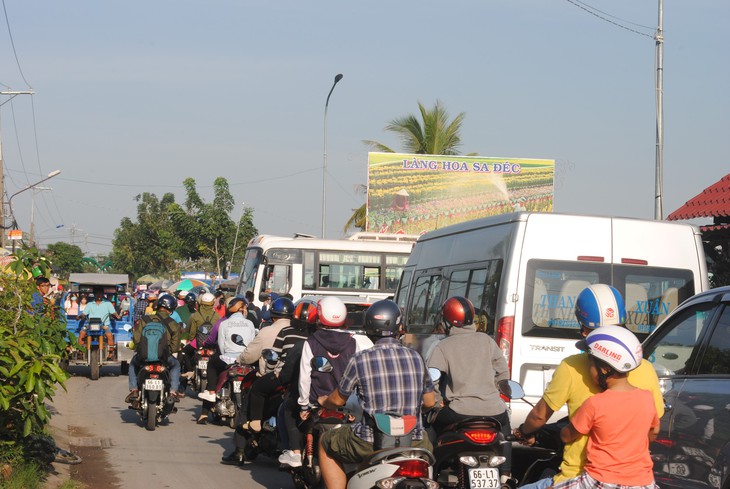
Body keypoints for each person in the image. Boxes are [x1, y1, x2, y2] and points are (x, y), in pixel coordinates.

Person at [514, 284, 664, 489]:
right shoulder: (644, 367)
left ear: (584, 328)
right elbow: (653, 430)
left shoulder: (573, 367)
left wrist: (524, 432)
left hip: (582, 476)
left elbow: (540, 416)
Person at [317, 299, 437, 489]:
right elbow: (430, 402)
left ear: (369, 326)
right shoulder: (415, 357)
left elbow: (339, 398)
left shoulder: (360, 359)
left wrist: (325, 401)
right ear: (399, 326)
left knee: (326, 442)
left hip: (370, 440)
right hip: (414, 440)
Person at [552, 325, 659, 489]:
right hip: (644, 483)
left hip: (601, 481)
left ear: (605, 369)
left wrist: (562, 431)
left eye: (590, 363)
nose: (588, 369)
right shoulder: (647, 398)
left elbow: (568, 436)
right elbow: (653, 433)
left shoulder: (595, 403)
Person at [427, 296, 513, 483]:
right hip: (494, 412)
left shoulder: (443, 347)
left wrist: (435, 400)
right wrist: (500, 386)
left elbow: (431, 378)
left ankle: (430, 473)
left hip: (459, 412)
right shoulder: (487, 341)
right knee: (505, 431)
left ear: (448, 320)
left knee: (430, 424)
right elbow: (502, 370)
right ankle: (506, 474)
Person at [197, 297, 256, 418]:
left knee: (212, 364)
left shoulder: (223, 323)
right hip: (246, 359)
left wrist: (226, 356)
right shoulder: (250, 323)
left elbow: (221, 345)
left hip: (228, 359)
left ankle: (212, 392)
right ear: (243, 309)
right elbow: (252, 342)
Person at [124, 293, 183, 404]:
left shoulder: (145, 319)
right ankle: (173, 392)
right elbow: (175, 348)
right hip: (164, 359)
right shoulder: (173, 324)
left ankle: (134, 390)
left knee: (133, 364)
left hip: (144, 358)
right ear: (171, 309)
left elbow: (136, 340)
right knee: (175, 365)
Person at [78, 291, 120, 360]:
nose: (99, 295)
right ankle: (80, 352)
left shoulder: (108, 304)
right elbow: (84, 314)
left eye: (100, 293)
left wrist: (117, 316)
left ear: (102, 294)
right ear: (94, 294)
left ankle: (110, 353)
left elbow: (113, 312)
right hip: (90, 325)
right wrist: (79, 317)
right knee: (82, 333)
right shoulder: (89, 304)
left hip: (103, 325)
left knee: (109, 335)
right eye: (97, 293)